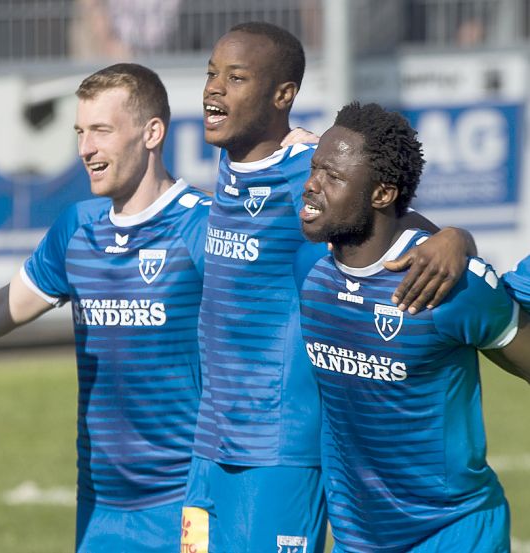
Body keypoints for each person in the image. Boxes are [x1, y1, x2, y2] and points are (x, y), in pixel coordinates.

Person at [182, 21, 476, 553]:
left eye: (236, 77)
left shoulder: (306, 171)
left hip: (277, 448)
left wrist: (457, 237)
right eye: (211, 74)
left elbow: (395, 223)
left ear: (283, 96)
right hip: (211, 445)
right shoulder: (230, 161)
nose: (214, 88)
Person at [0, 63, 209, 552]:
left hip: (188, 498)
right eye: (80, 132)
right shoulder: (78, 226)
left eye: (101, 131)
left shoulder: (202, 229)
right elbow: (5, 306)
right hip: (101, 503)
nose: (85, 149)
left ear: (152, 133)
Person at [298, 101, 530, 552]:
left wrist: (458, 242)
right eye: (314, 168)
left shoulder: (447, 287)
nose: (311, 186)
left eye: (334, 177)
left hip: (454, 532)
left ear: (382, 194)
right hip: (356, 536)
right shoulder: (309, 264)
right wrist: (457, 235)